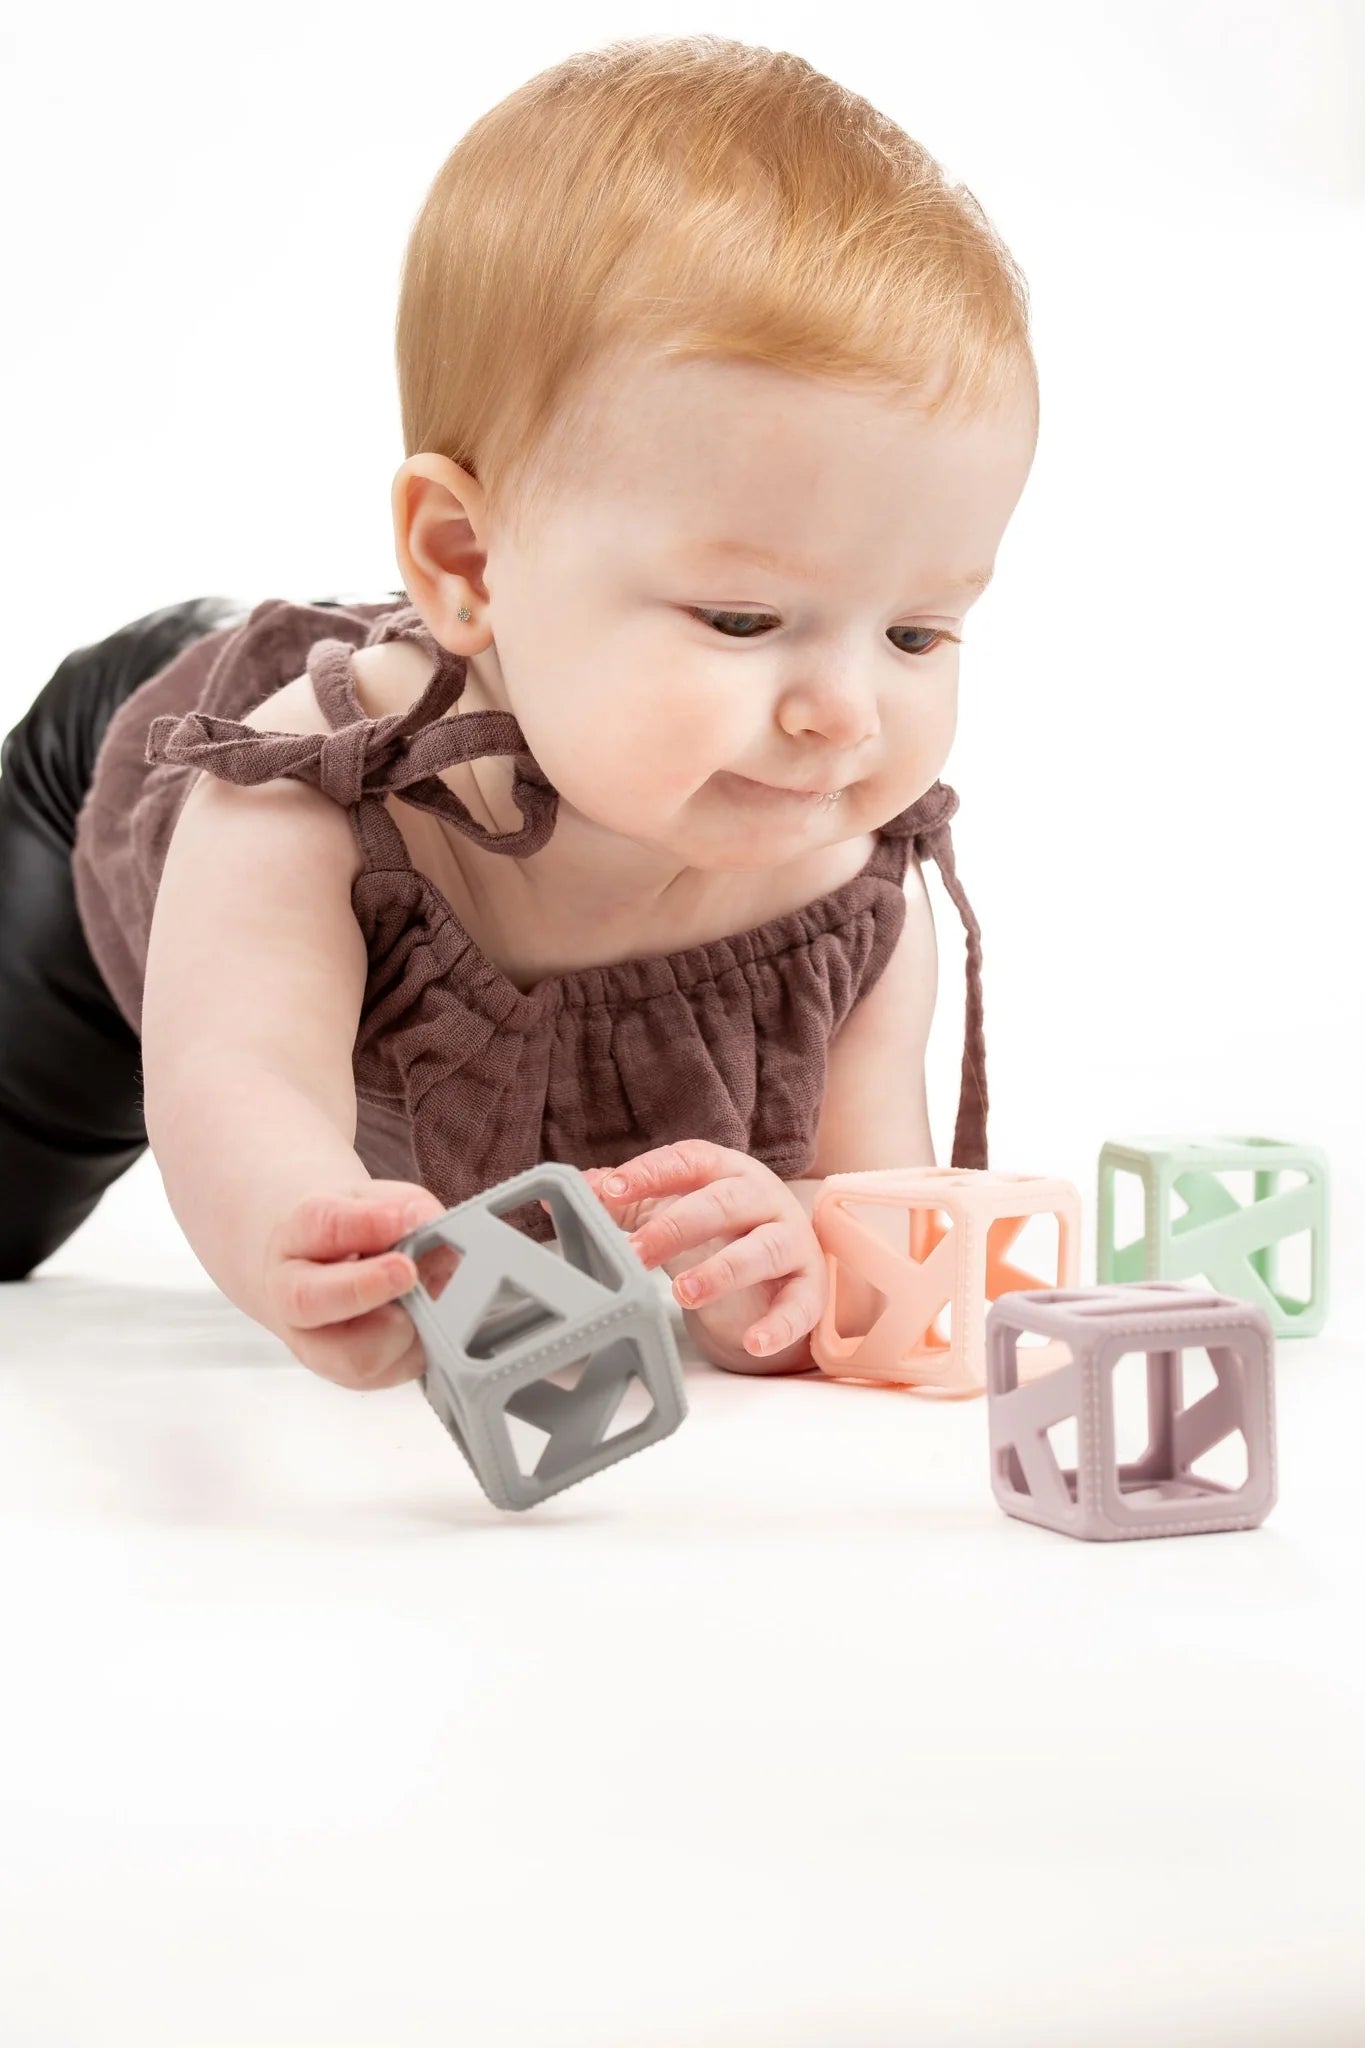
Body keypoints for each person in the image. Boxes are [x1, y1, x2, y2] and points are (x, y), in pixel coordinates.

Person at [0, 33, 1038, 1393]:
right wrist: (300, 1228)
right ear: (468, 561)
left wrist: (784, 1257)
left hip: (511, 660)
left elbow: (869, 1229)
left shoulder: (852, 899)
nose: (844, 716)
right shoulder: (300, 806)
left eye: (915, 633)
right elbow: (239, 1078)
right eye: (741, 620)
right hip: (127, 773)